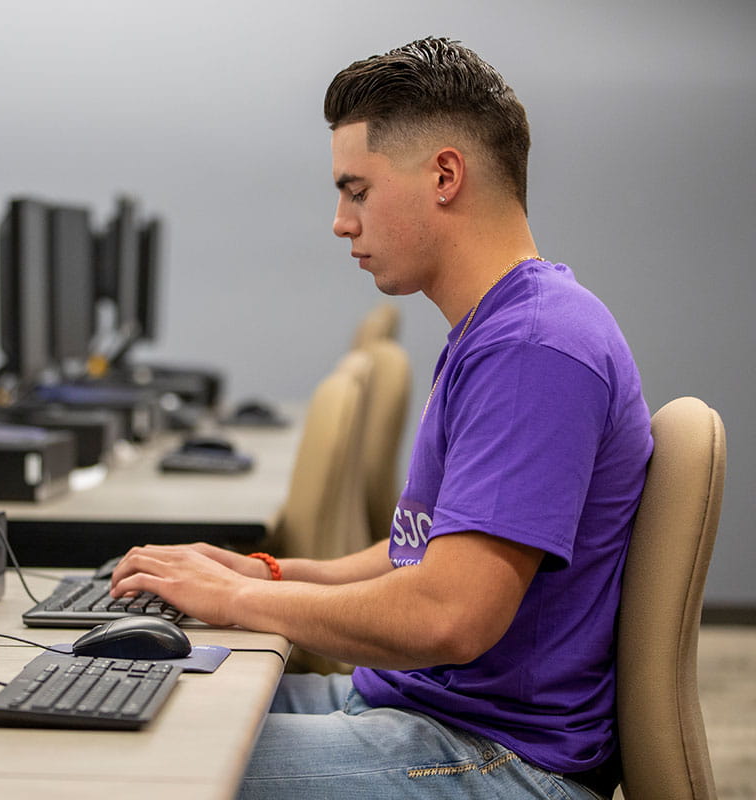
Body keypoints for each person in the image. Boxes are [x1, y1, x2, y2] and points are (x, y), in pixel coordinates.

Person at [109, 37, 652, 799]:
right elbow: (420, 554)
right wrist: (266, 571)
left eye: (356, 190)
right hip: (424, 706)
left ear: (444, 175)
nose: (340, 221)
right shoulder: (496, 329)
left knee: (129, 768)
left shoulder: (536, 348)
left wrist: (237, 602)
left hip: (501, 759)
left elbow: (448, 614)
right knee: (126, 706)